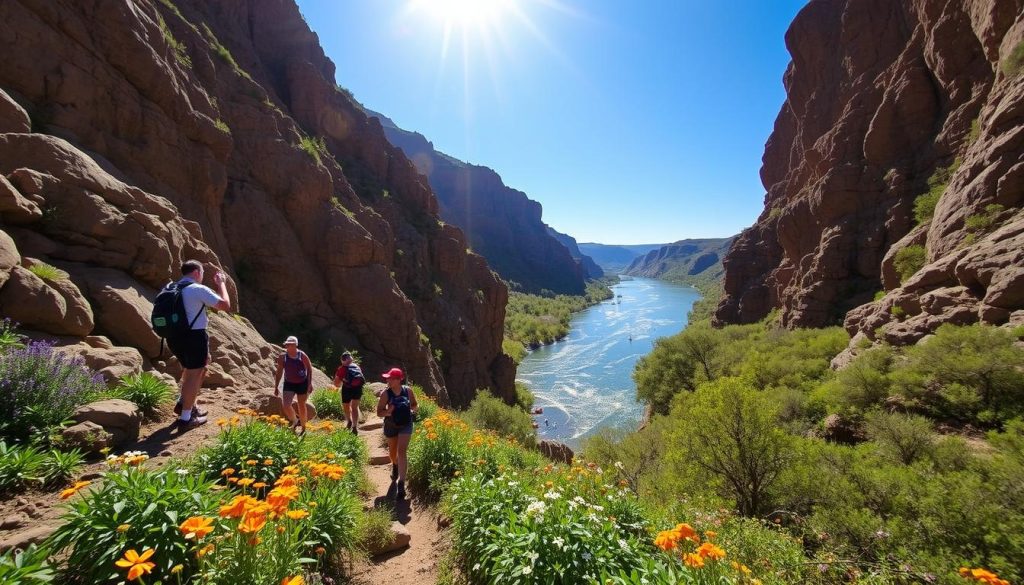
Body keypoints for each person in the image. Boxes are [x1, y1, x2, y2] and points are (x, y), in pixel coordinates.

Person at [168, 260, 230, 430]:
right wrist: (221, 284)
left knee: (197, 368)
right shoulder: (197, 289)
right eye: (201, 273)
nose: (202, 276)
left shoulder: (171, 288)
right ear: (196, 272)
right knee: (194, 373)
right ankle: (185, 419)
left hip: (174, 337)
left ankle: (185, 404)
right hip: (194, 336)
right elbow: (224, 305)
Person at [376, 367, 417, 500]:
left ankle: (401, 483)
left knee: (402, 451)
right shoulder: (385, 394)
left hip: (406, 424)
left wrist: (412, 410)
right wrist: (388, 411)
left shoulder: (408, 391)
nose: (387, 380)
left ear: (399, 379)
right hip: (391, 425)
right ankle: (394, 465)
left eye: (391, 378)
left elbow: (415, 405)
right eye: (387, 378)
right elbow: (379, 412)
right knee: (393, 453)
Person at [273, 336, 313, 435]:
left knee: (301, 405)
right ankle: (295, 420)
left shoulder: (302, 355)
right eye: (287, 344)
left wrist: (309, 383)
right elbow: (279, 372)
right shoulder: (283, 357)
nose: (289, 346)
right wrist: (276, 386)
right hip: (289, 383)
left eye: (291, 344)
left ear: (296, 345)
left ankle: (303, 426)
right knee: (286, 405)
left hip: (302, 383)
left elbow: (309, 368)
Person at [333, 351, 365, 435]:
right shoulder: (357, 367)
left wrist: (341, 380)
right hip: (358, 388)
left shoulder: (342, 368)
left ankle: (349, 421)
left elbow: (337, 384)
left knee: (346, 406)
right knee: (355, 407)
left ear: (342, 360)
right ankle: (355, 427)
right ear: (351, 359)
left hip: (347, 389)